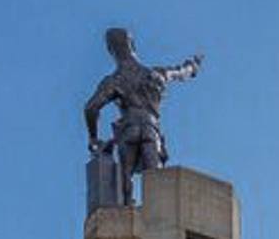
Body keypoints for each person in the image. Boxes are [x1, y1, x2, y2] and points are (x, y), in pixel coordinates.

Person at [83, 28, 202, 204]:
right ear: (133, 45)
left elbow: (91, 108)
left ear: (111, 51)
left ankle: (126, 216)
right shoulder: (157, 74)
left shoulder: (115, 80)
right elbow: (181, 72)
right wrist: (192, 66)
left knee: (125, 186)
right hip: (151, 130)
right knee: (157, 183)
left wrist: (93, 138)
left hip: (128, 131)